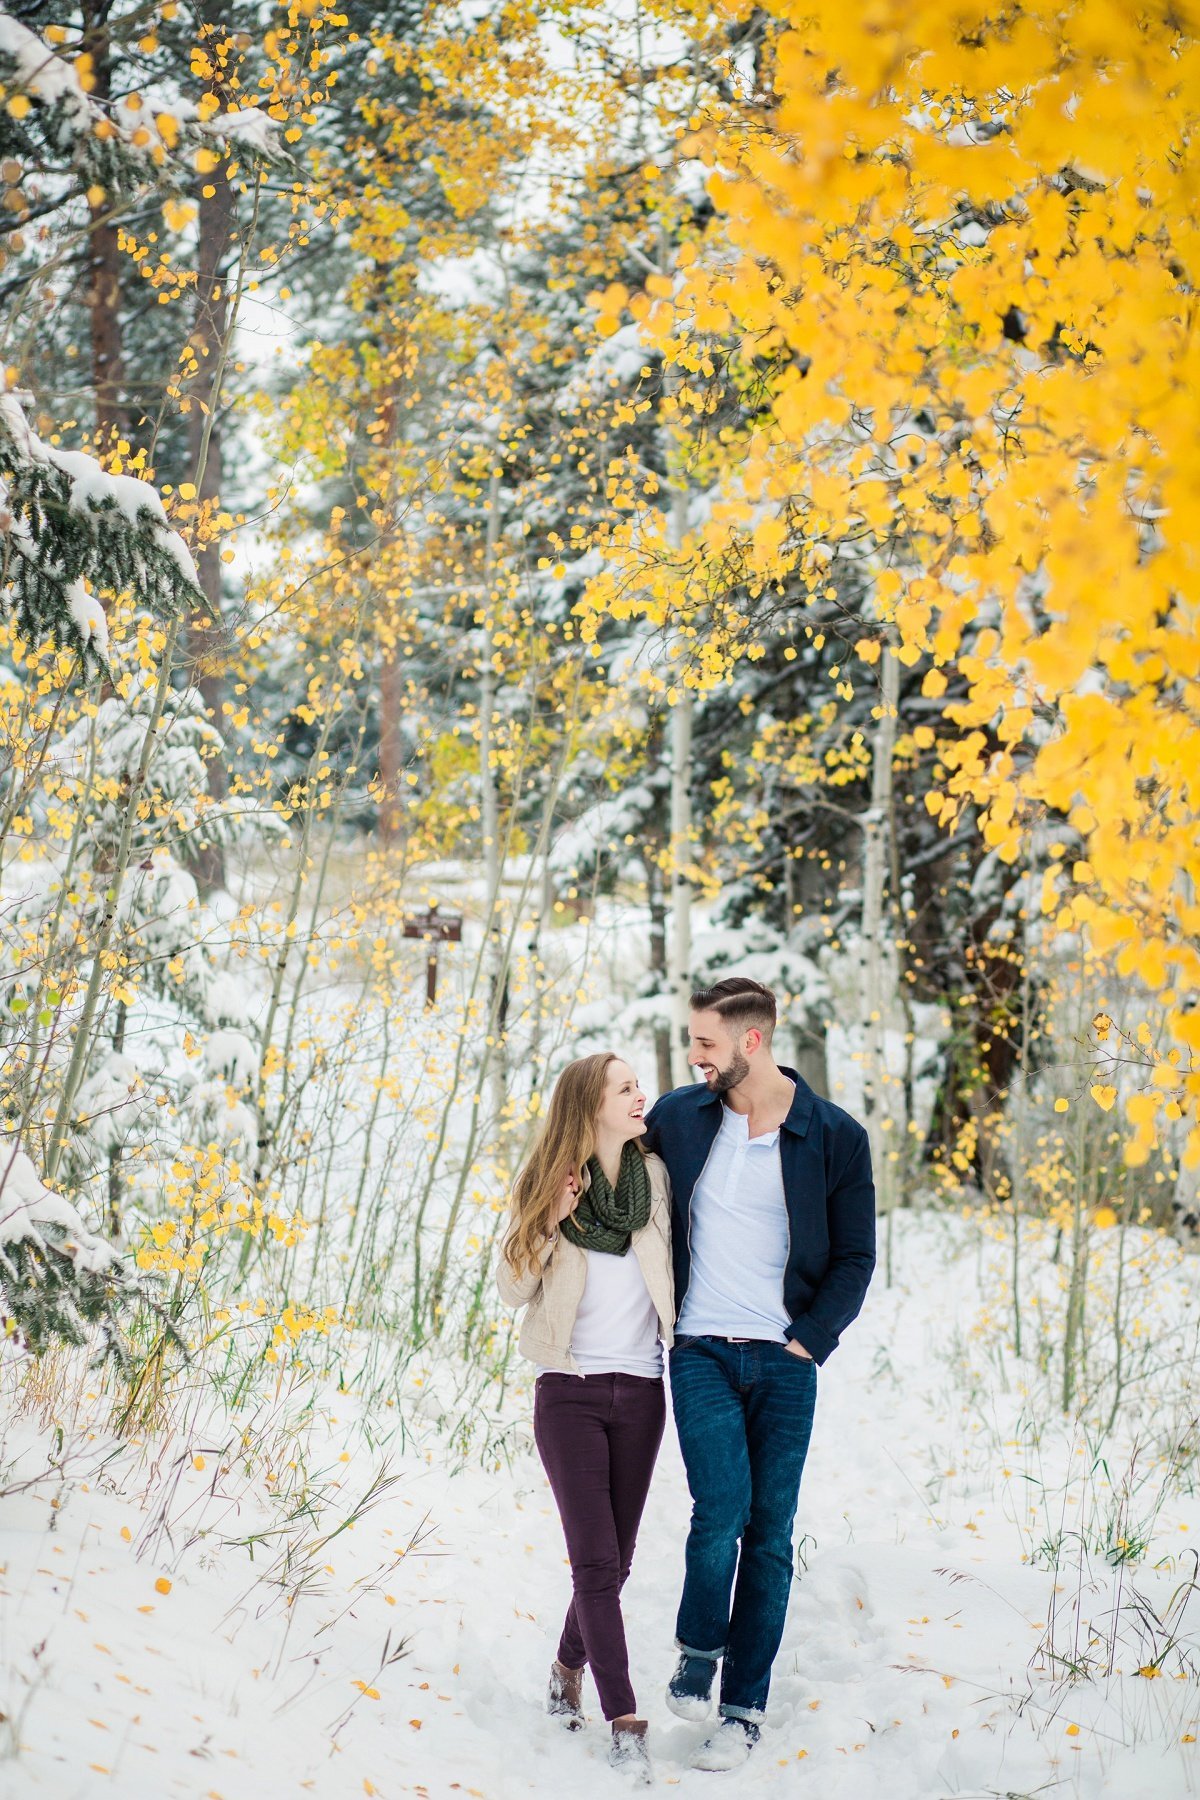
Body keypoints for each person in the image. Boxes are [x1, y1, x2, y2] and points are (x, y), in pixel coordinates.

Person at [642, 976, 876, 1772]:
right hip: (701, 1348)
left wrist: (810, 1338)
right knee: (722, 1506)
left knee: (769, 1532)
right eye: (690, 1042)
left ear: (752, 1041)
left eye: (704, 1042)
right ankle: (698, 1646)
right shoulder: (679, 1116)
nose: (692, 1056)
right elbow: (617, 1168)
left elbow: (854, 1255)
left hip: (784, 1360)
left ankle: (743, 1710)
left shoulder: (833, 1135)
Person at [496, 1052, 675, 1785]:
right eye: (627, 1088)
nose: (642, 1096)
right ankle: (623, 1718)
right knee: (596, 1563)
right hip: (568, 1391)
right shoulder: (547, 1182)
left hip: (642, 1390)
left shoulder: (655, 1179)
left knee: (619, 1561)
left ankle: (568, 1665)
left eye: (638, 1085)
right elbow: (511, 1288)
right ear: (590, 1104)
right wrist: (549, 1220)